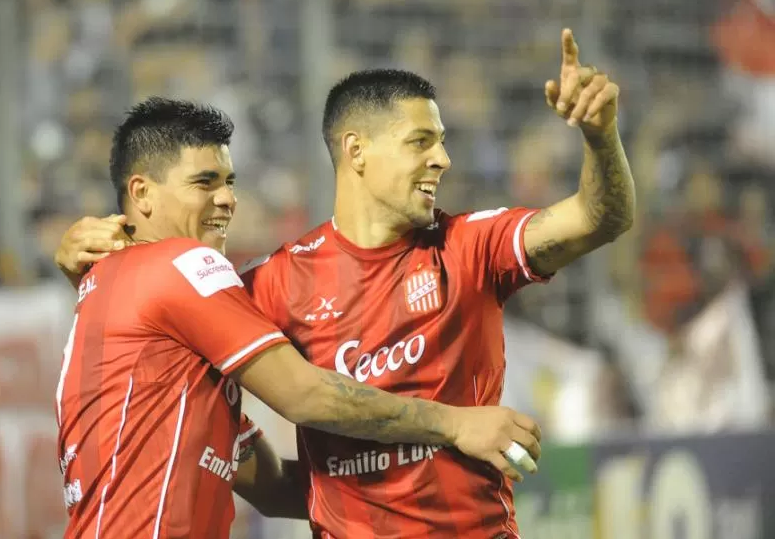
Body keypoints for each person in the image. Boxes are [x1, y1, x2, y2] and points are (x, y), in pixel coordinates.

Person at [56, 30, 634, 538]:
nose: (443, 159)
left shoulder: (471, 246)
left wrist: (601, 136)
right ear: (356, 151)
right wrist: (455, 426)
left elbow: (598, 218)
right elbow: (292, 391)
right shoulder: (268, 283)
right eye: (420, 142)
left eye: (442, 141)